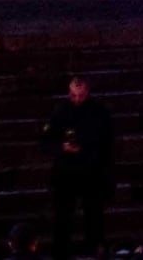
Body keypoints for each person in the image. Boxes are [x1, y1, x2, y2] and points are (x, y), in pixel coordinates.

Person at [47, 72, 119, 254]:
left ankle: (93, 249)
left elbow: (108, 143)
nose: (77, 99)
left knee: (94, 215)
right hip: (66, 172)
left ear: (87, 93)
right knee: (63, 216)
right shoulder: (60, 112)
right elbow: (46, 140)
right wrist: (62, 147)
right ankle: (62, 250)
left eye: (81, 95)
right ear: (68, 93)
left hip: (91, 170)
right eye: (73, 95)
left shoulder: (99, 113)